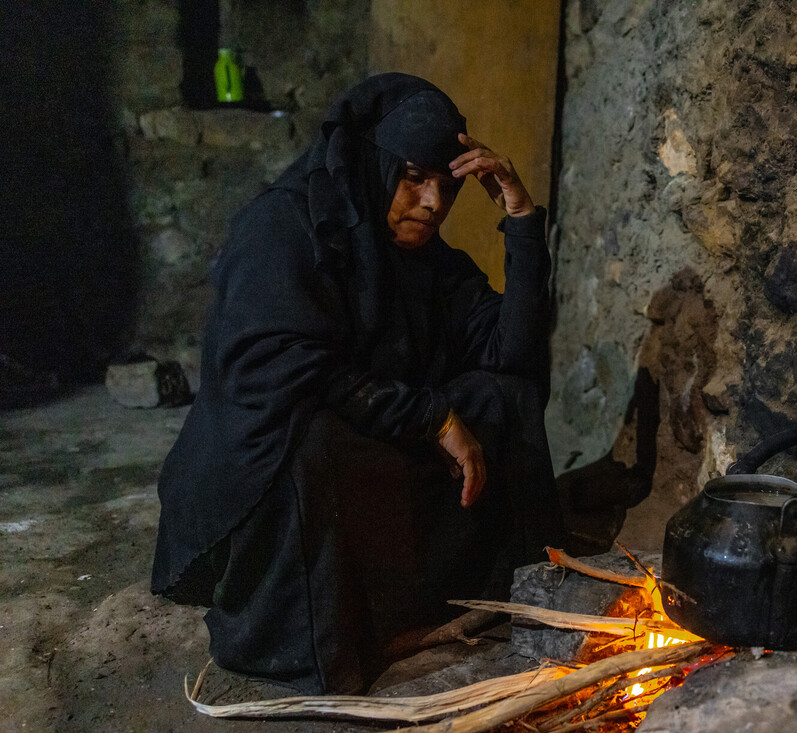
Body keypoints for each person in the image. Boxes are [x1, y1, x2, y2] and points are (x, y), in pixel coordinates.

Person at [151, 73, 565, 694]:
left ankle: (480, 592)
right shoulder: (283, 227)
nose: (433, 203)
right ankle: (317, 636)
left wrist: (522, 218)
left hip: (367, 436)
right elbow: (279, 370)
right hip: (268, 469)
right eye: (414, 178)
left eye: (448, 185)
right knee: (310, 442)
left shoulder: (429, 262)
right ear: (372, 165)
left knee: (504, 398)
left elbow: (515, 356)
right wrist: (431, 418)